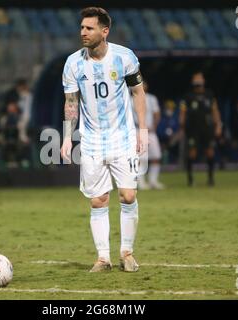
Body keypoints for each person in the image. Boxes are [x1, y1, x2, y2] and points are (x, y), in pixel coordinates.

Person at [60, 7, 147, 272]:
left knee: (128, 195)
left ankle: (127, 253)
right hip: (92, 140)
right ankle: (103, 258)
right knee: (98, 200)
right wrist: (67, 138)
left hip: (122, 136)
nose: (83, 32)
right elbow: (71, 102)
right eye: (82, 27)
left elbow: (137, 92)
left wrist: (143, 129)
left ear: (104, 31)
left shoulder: (125, 57)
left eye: (89, 28)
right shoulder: (73, 63)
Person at [179, 72, 222, 186]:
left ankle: (211, 179)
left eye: (200, 79)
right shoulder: (188, 96)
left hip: (207, 128)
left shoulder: (209, 94)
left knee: (210, 152)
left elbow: (215, 111)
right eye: (196, 79)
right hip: (193, 129)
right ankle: (190, 179)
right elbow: (182, 113)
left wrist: (218, 125)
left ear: (203, 80)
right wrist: (182, 127)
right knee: (192, 153)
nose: (198, 81)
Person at [136, 81, 164, 190]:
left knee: (156, 156)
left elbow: (157, 114)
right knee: (141, 158)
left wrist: (154, 125)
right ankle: (141, 182)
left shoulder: (152, 98)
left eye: (144, 84)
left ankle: (153, 181)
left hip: (151, 131)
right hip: (138, 130)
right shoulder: (130, 99)